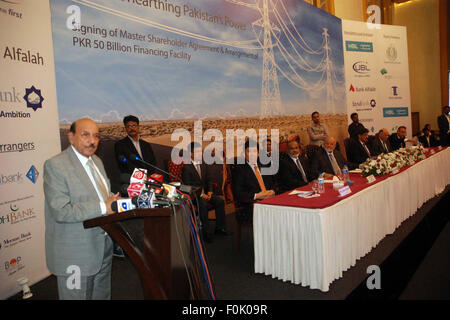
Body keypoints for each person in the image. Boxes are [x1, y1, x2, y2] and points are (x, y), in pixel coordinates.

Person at [43, 118, 120, 300]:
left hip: (102, 248)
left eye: (96, 136)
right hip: (75, 255)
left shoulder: (97, 162)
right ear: (71, 137)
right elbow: (61, 210)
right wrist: (103, 206)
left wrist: (113, 202)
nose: (92, 140)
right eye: (85, 134)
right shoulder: (56, 165)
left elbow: (102, 199)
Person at [182, 142, 231, 243]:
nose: (200, 154)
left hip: (206, 193)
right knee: (203, 205)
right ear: (191, 153)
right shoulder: (186, 167)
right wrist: (201, 194)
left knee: (220, 202)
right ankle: (206, 233)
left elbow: (209, 179)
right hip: (195, 196)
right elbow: (187, 186)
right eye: (197, 152)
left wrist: (210, 191)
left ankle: (220, 228)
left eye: (200, 152)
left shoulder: (203, 164)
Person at [231, 140, 276, 222]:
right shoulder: (239, 169)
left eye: (255, 151)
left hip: (270, 199)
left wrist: (272, 191)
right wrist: (256, 196)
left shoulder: (265, 165)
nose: (252, 154)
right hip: (251, 204)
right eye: (249, 151)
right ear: (244, 153)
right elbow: (238, 192)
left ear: (258, 153)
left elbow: (274, 182)